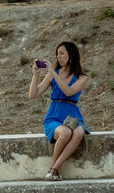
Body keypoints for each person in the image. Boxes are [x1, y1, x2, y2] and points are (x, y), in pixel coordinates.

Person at [29, 41, 89, 182]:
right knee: (65, 132)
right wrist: (35, 75)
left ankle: (53, 169)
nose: (58, 57)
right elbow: (33, 94)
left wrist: (54, 74)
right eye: (57, 54)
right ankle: (53, 170)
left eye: (62, 53)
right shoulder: (52, 74)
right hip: (54, 117)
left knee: (79, 132)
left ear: (71, 55)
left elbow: (68, 92)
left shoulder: (81, 77)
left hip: (72, 116)